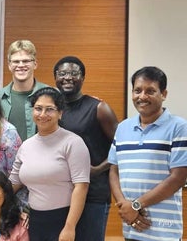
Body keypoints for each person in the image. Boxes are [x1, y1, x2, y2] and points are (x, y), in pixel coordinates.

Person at [108, 66, 187, 241]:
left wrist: (136, 205)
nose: (142, 96)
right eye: (137, 90)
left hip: (164, 232)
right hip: (131, 228)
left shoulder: (179, 127)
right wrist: (124, 206)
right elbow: (114, 170)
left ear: (163, 94)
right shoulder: (122, 128)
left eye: (150, 91)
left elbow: (179, 178)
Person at [10, 87, 90, 241]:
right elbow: (13, 183)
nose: (42, 114)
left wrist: (69, 227)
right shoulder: (26, 146)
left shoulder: (73, 142)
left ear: (60, 113)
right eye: (38, 109)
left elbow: (81, 186)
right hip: (34, 220)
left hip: (65, 219)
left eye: (50, 109)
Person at [53, 56, 118, 241]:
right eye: (62, 73)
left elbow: (121, 147)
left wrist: (98, 169)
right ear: (55, 77)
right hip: (61, 194)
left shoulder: (99, 108)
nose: (68, 77)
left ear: (83, 77)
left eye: (74, 73)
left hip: (93, 195)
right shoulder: (51, 109)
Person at [0, 39, 49, 141]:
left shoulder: (50, 95)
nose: (21, 65)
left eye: (26, 61)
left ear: (35, 64)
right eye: (16, 61)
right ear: (9, 65)